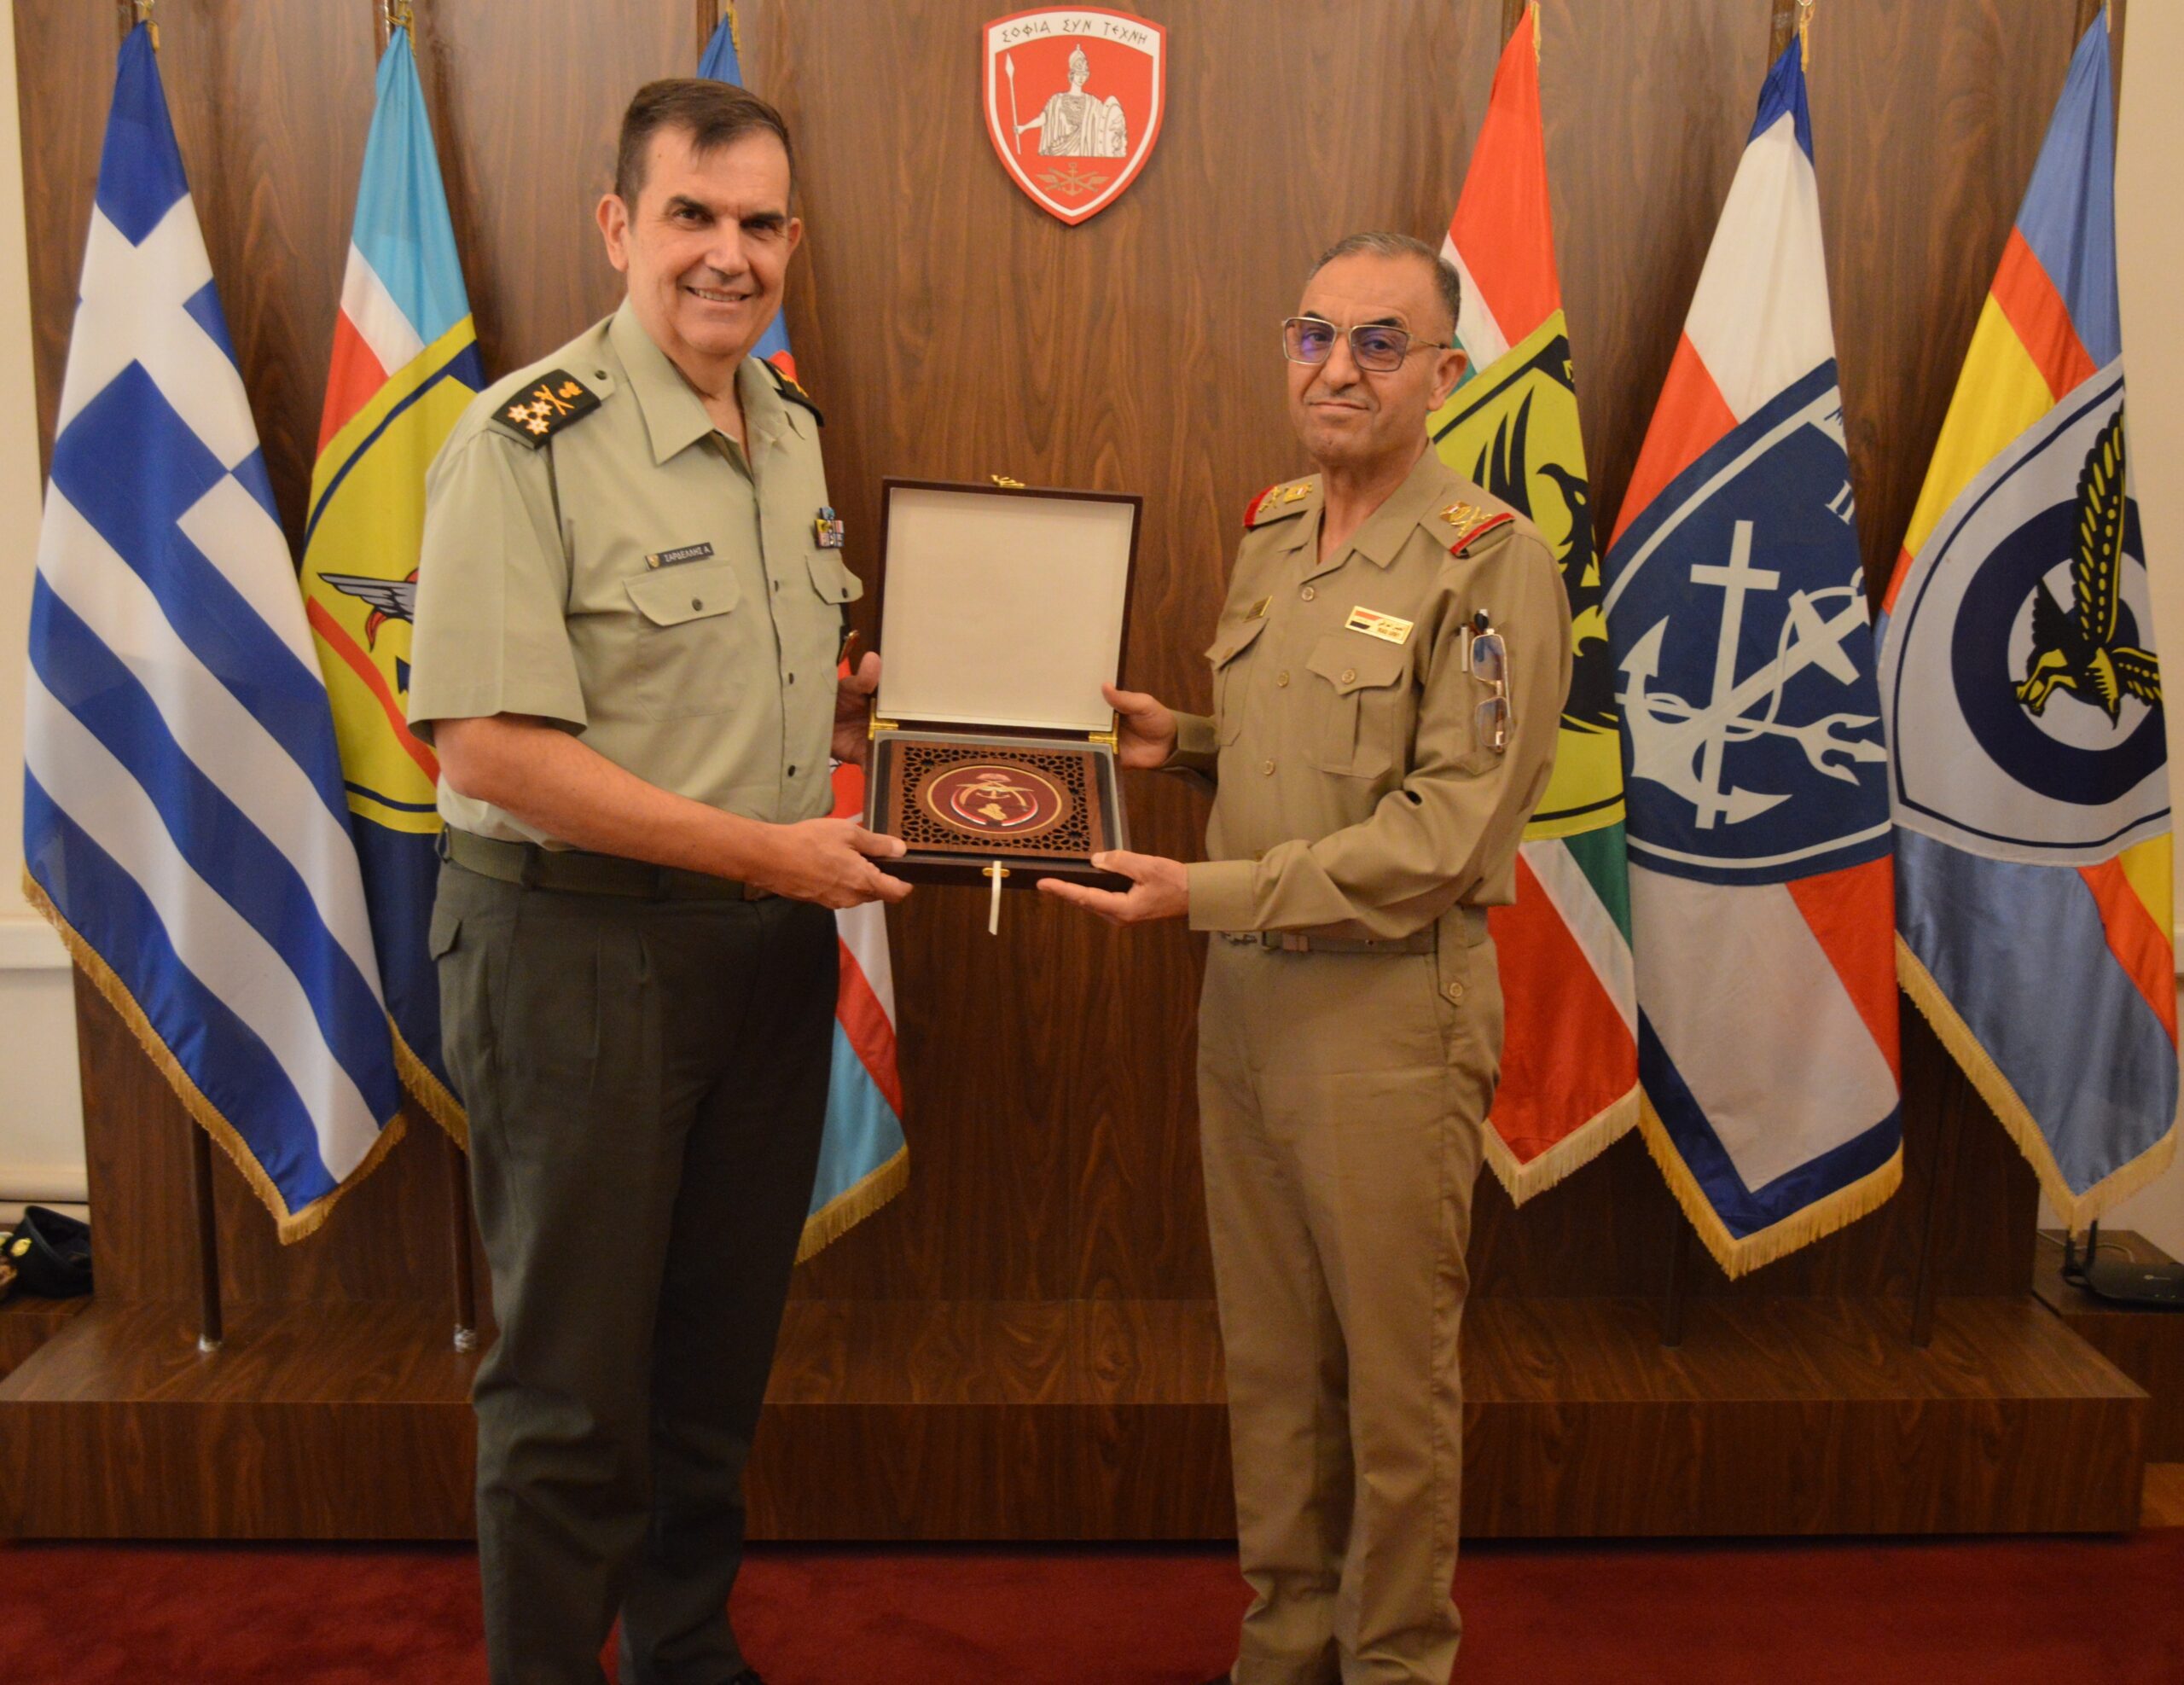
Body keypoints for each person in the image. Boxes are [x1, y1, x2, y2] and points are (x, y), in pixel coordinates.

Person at [406, 79, 909, 1685]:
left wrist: (835, 723)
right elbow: (489, 743)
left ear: (793, 242)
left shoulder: (787, 428)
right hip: (575, 956)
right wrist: (773, 850)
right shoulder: (523, 441)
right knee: (569, 1388)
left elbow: (707, 682)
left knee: (711, 1362)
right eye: (692, 214)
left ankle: (685, 1652)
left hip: (756, 954)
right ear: (620, 225)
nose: (727, 254)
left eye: (760, 223)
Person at [1042, 231, 1572, 1684]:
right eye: (1313, 334)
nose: (1338, 367)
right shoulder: (1279, 528)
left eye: (1379, 342)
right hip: (1248, 1009)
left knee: (1393, 1393)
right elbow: (1305, 760)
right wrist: (1185, 744)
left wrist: (1204, 891)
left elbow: (1448, 835)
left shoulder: (1490, 561)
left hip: (1387, 1019)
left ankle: (1392, 1661)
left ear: (1442, 374)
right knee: (1274, 1370)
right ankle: (1281, 1650)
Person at [1018, 44, 1128, 157]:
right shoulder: (1057, 100)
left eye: (1084, 74)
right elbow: (1043, 119)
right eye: (1078, 74)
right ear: (1072, 74)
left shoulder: (1093, 102)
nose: (1081, 78)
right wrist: (1024, 128)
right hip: (1059, 153)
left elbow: (1106, 121)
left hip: (1083, 152)